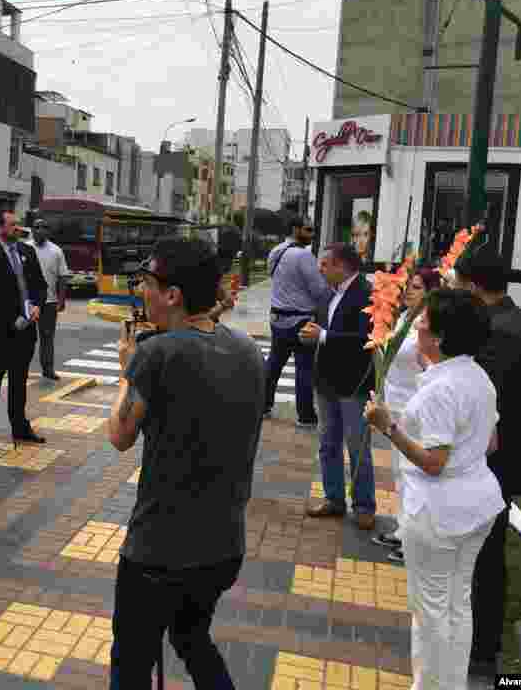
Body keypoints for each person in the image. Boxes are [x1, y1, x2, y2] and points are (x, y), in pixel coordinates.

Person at [106, 236, 265, 689]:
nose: (142, 292)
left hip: (158, 550)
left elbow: (119, 436)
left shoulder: (156, 353)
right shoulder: (247, 349)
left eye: (147, 283)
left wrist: (127, 371)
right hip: (223, 544)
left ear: (173, 294)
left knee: (132, 660)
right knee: (191, 636)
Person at [365, 289, 506, 690]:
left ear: (440, 337)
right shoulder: (477, 377)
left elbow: (434, 462)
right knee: (456, 604)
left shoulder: (441, 389)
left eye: (422, 323)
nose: (417, 328)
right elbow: (490, 443)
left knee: (430, 611)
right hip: (476, 505)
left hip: (439, 513)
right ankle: (451, 684)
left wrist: (388, 425)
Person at [452, 252, 521, 675]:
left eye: (459, 286)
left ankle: (482, 650)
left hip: (497, 462)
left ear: (474, 287)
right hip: (495, 458)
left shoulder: (503, 332)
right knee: (483, 552)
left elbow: (484, 400)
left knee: (486, 556)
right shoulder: (509, 321)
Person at [300, 244, 377, 531]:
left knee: (357, 447)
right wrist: (312, 334)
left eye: (324, 264)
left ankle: (364, 505)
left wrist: (324, 336)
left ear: (341, 266)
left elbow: (366, 339)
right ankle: (334, 498)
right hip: (325, 381)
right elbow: (322, 328)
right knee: (327, 444)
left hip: (353, 385)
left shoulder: (366, 294)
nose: (319, 269)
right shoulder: (328, 293)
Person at [372, 267, 442, 564]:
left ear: (431, 292)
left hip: (414, 410)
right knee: (400, 474)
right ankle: (404, 528)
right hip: (394, 406)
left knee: (414, 476)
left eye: (416, 287)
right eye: (408, 286)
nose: (408, 291)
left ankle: (416, 538)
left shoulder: (428, 326)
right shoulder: (403, 318)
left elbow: (431, 367)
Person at [0, 209, 48, 453]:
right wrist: (12, 319)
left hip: (26, 330)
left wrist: (37, 306)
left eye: (17, 224)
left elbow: (40, 285)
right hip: (0, 331)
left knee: (19, 381)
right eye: (12, 224)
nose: (17, 228)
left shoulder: (28, 251)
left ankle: (20, 427)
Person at [264, 217, 332, 425]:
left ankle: (263, 405)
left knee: (274, 363)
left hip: (277, 318)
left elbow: (275, 278)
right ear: (295, 230)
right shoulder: (304, 255)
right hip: (301, 320)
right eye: (308, 230)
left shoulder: (275, 251)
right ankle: (306, 415)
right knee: (304, 368)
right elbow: (319, 290)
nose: (312, 234)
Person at [26, 218, 69, 382]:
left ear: (48, 231)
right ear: (32, 230)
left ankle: (48, 369)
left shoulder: (56, 251)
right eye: (36, 227)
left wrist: (61, 299)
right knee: (25, 338)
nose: (40, 230)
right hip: (28, 302)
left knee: (47, 336)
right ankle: (21, 368)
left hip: (49, 302)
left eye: (43, 227)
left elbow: (63, 277)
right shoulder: (25, 248)